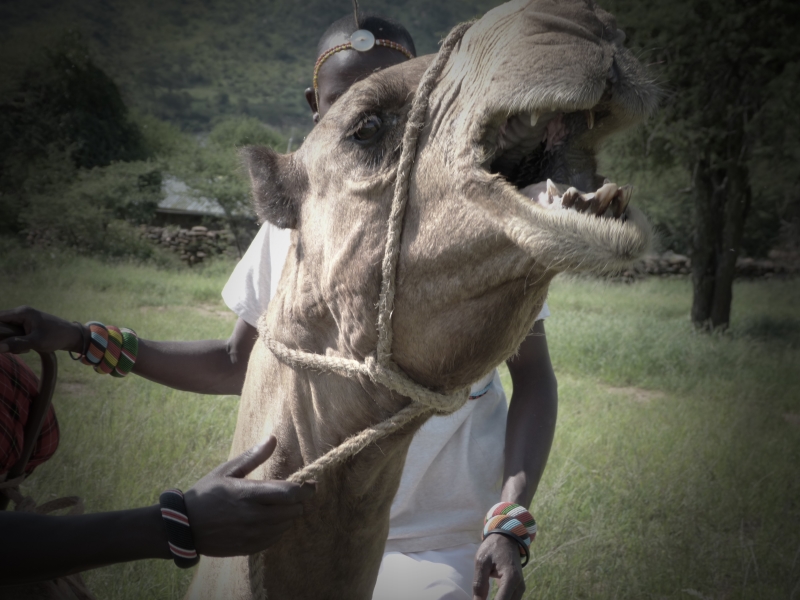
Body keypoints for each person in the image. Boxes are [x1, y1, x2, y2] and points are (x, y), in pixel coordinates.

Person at [0, 12, 558, 600]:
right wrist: (82, 339)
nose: (367, 121)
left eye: (392, 104)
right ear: (317, 108)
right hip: (307, 529)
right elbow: (234, 363)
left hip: (432, 542)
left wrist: (509, 519)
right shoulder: (291, 224)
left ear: (429, 99)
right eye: (347, 105)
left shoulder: (478, 221)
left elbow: (533, 379)